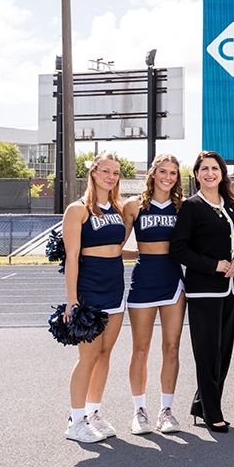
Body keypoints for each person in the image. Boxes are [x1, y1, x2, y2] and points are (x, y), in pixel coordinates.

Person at [170, 151, 234, 433]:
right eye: (204, 169)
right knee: (207, 353)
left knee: (224, 351)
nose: (210, 173)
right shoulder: (191, 206)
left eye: (214, 168)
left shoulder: (232, 205)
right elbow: (178, 249)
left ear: (222, 173)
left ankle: (201, 405)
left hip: (231, 290)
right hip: (203, 291)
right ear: (196, 174)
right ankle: (212, 412)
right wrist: (213, 265)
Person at [62, 152, 127, 443]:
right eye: (106, 171)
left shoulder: (117, 208)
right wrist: (72, 299)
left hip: (115, 287)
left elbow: (116, 249)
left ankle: (93, 413)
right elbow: (72, 257)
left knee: (104, 354)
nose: (111, 177)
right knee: (87, 356)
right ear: (93, 171)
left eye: (116, 173)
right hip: (90, 290)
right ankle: (75, 421)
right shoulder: (77, 210)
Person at [121, 154, 186, 435]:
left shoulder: (182, 207)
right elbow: (116, 245)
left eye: (173, 173)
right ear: (152, 173)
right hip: (143, 280)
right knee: (141, 349)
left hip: (173, 282)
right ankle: (139, 411)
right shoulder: (133, 205)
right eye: (163, 171)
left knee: (171, 348)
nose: (167, 177)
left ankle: (166, 410)